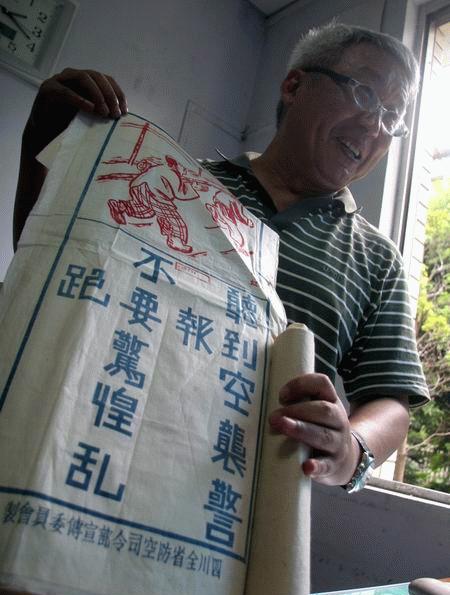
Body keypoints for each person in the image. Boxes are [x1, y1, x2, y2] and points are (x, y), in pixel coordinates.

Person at [12, 22, 429, 493]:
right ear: (295, 86)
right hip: (102, 452)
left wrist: (351, 448)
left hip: (250, 501)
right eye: (365, 93)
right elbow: (52, 270)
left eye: (393, 116)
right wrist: (42, 141)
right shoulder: (176, 179)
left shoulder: (376, 258)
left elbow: (390, 402)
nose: (376, 126)